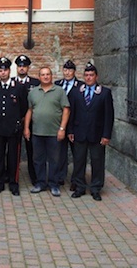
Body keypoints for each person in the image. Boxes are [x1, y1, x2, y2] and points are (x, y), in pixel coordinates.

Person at [68, 63, 114, 201]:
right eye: (86, 75)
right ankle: (80, 187)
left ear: (96, 76)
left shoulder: (105, 93)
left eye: (91, 75)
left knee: (97, 161)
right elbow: (71, 113)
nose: (88, 78)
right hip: (79, 132)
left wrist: (106, 135)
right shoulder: (76, 92)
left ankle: (95, 188)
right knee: (79, 161)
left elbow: (109, 115)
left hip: (97, 134)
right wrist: (70, 130)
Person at [24, 67, 70, 197]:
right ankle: (40, 183)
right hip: (37, 132)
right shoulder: (33, 92)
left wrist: (62, 129)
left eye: (48, 74)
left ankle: (54, 184)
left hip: (54, 132)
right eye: (43, 75)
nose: (45, 77)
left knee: (55, 160)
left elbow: (66, 110)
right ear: (39, 77)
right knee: (38, 159)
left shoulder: (59, 91)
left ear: (51, 76)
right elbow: (30, 110)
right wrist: (26, 128)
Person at [0, 57, 28, 196]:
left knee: (13, 157)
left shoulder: (19, 87)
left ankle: (13, 183)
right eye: (0, 70)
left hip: (13, 128)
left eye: (5, 70)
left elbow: (23, 107)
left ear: (9, 70)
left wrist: (16, 121)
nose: (3, 73)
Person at [54, 60, 83, 190]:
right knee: (60, 153)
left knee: (77, 153)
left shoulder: (81, 86)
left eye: (70, 70)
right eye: (65, 70)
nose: (67, 73)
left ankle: (76, 179)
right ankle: (60, 177)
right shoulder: (57, 85)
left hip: (75, 125)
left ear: (74, 72)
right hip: (60, 124)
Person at [12, 55, 40, 186]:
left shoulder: (35, 83)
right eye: (20, 66)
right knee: (13, 150)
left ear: (28, 67)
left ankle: (34, 177)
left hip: (32, 122)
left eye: (24, 66)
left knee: (32, 150)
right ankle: (12, 175)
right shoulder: (11, 82)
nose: (22, 68)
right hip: (15, 121)